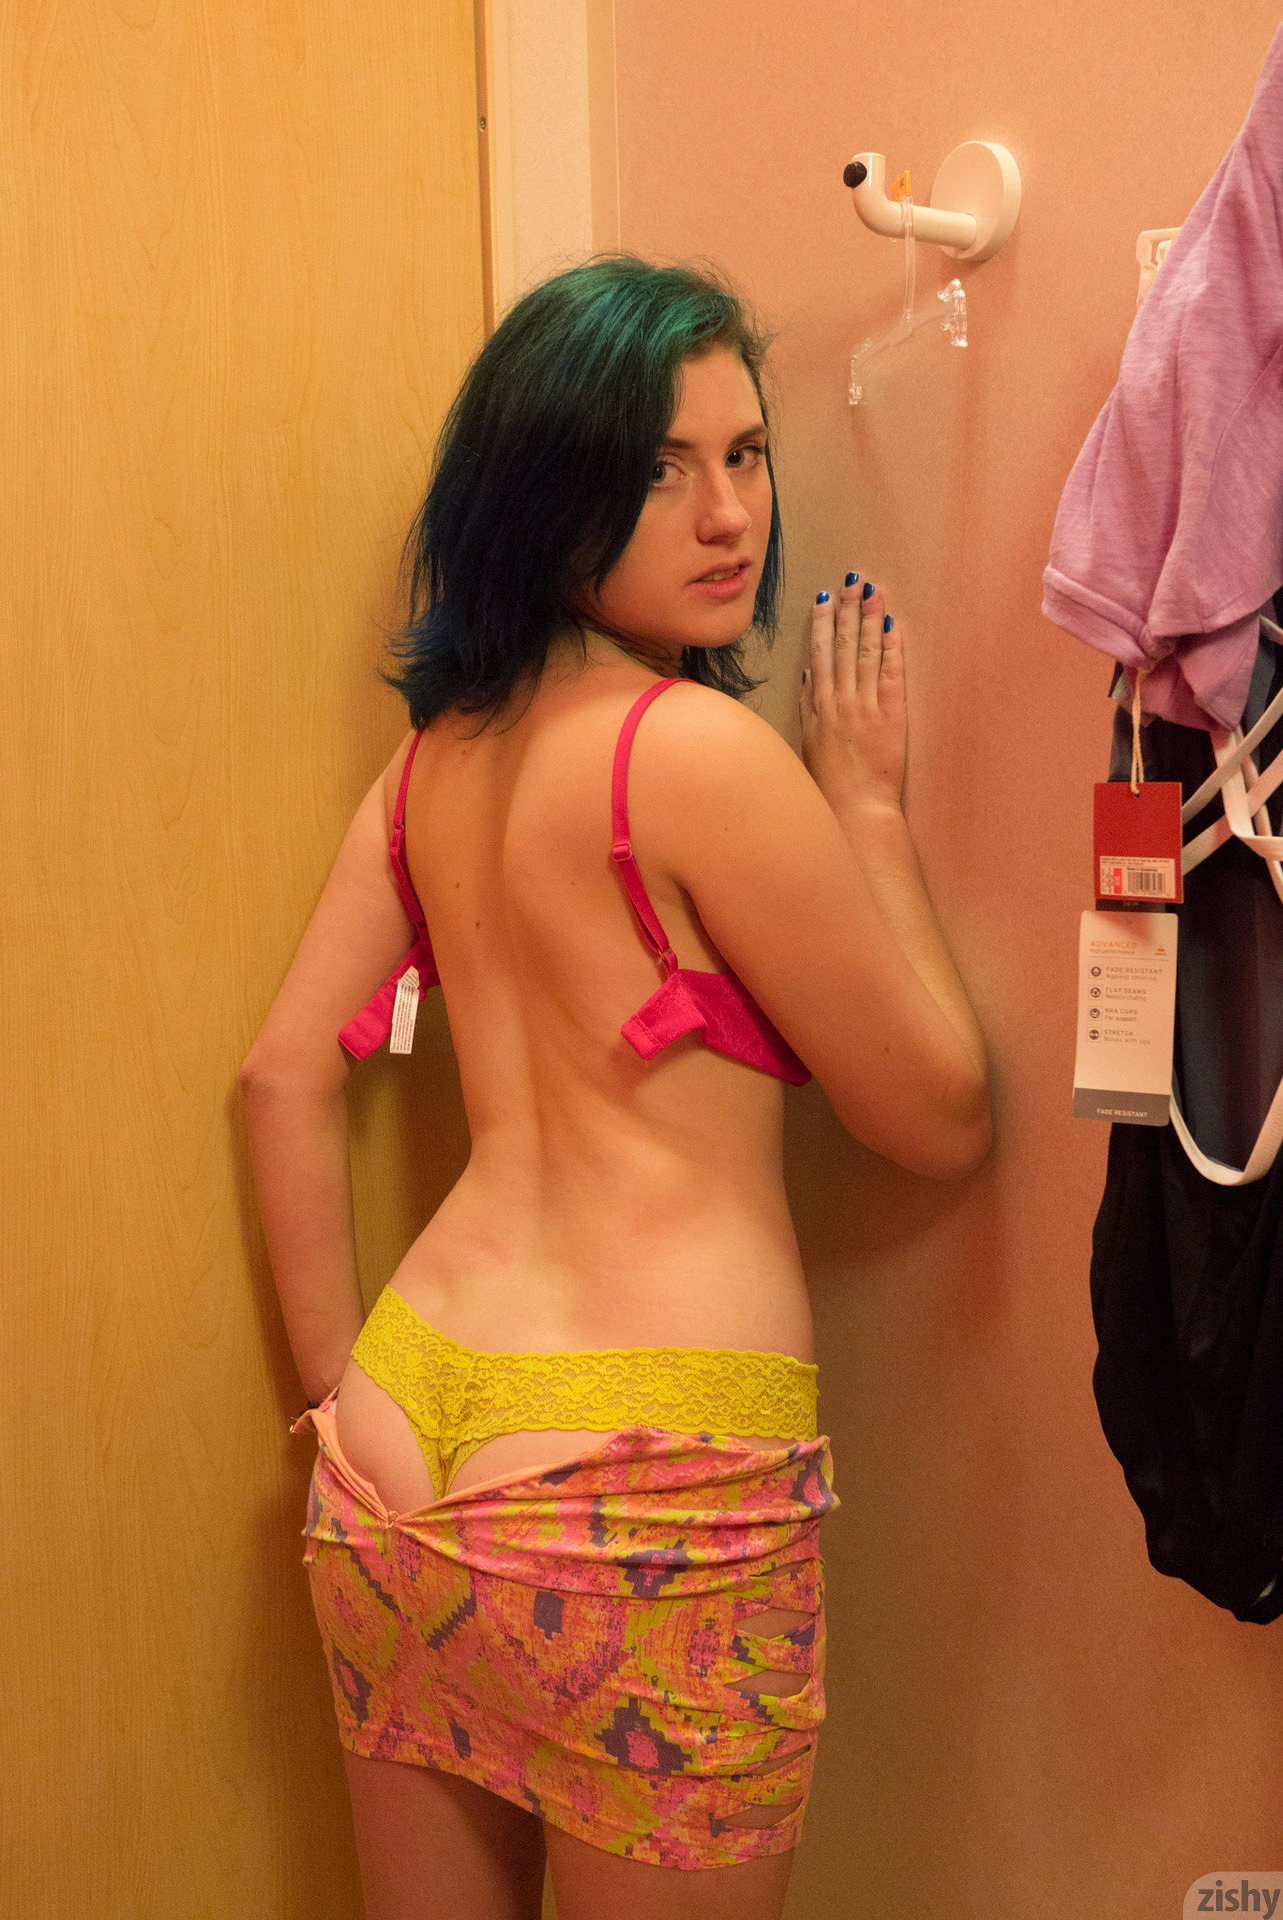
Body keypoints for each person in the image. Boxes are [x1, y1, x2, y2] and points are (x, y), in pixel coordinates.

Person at [240, 256, 990, 1920]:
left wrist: (331, 1406)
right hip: (640, 1481)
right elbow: (937, 1118)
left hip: (395, 1448)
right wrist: (866, 812)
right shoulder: (699, 757)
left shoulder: (428, 765)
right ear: (546, 490)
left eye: (746, 453)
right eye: (660, 469)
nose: (729, 514)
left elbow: (283, 1075)